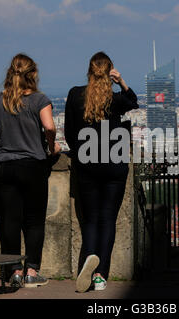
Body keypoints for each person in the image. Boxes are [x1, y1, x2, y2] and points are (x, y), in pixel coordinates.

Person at [0, 53, 61, 288]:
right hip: (34, 166)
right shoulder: (39, 100)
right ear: (33, 74)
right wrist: (50, 146)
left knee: (9, 221)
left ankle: (14, 269)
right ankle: (32, 271)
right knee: (35, 221)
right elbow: (49, 126)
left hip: (6, 166)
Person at [64, 52, 139, 292]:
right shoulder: (115, 99)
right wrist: (121, 80)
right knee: (108, 220)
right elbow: (133, 100)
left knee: (91, 220)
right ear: (110, 72)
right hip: (114, 166)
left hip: (87, 165)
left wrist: (80, 153)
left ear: (89, 70)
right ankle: (100, 275)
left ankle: (88, 259)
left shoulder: (76, 95)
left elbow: (68, 132)